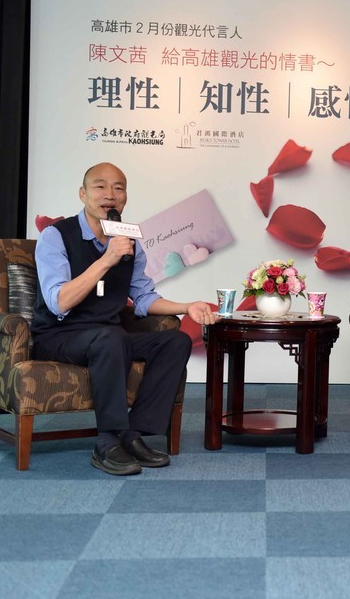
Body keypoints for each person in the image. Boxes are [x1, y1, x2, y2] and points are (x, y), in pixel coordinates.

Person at [31, 162, 218, 476]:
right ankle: (107, 441)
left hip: (109, 336)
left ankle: (134, 434)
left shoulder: (129, 242)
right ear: (83, 194)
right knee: (111, 337)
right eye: (100, 187)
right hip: (59, 335)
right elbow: (59, 301)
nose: (110, 195)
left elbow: (144, 297)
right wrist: (107, 260)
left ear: (125, 197)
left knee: (175, 341)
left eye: (118, 188)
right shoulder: (56, 236)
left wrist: (188, 306)